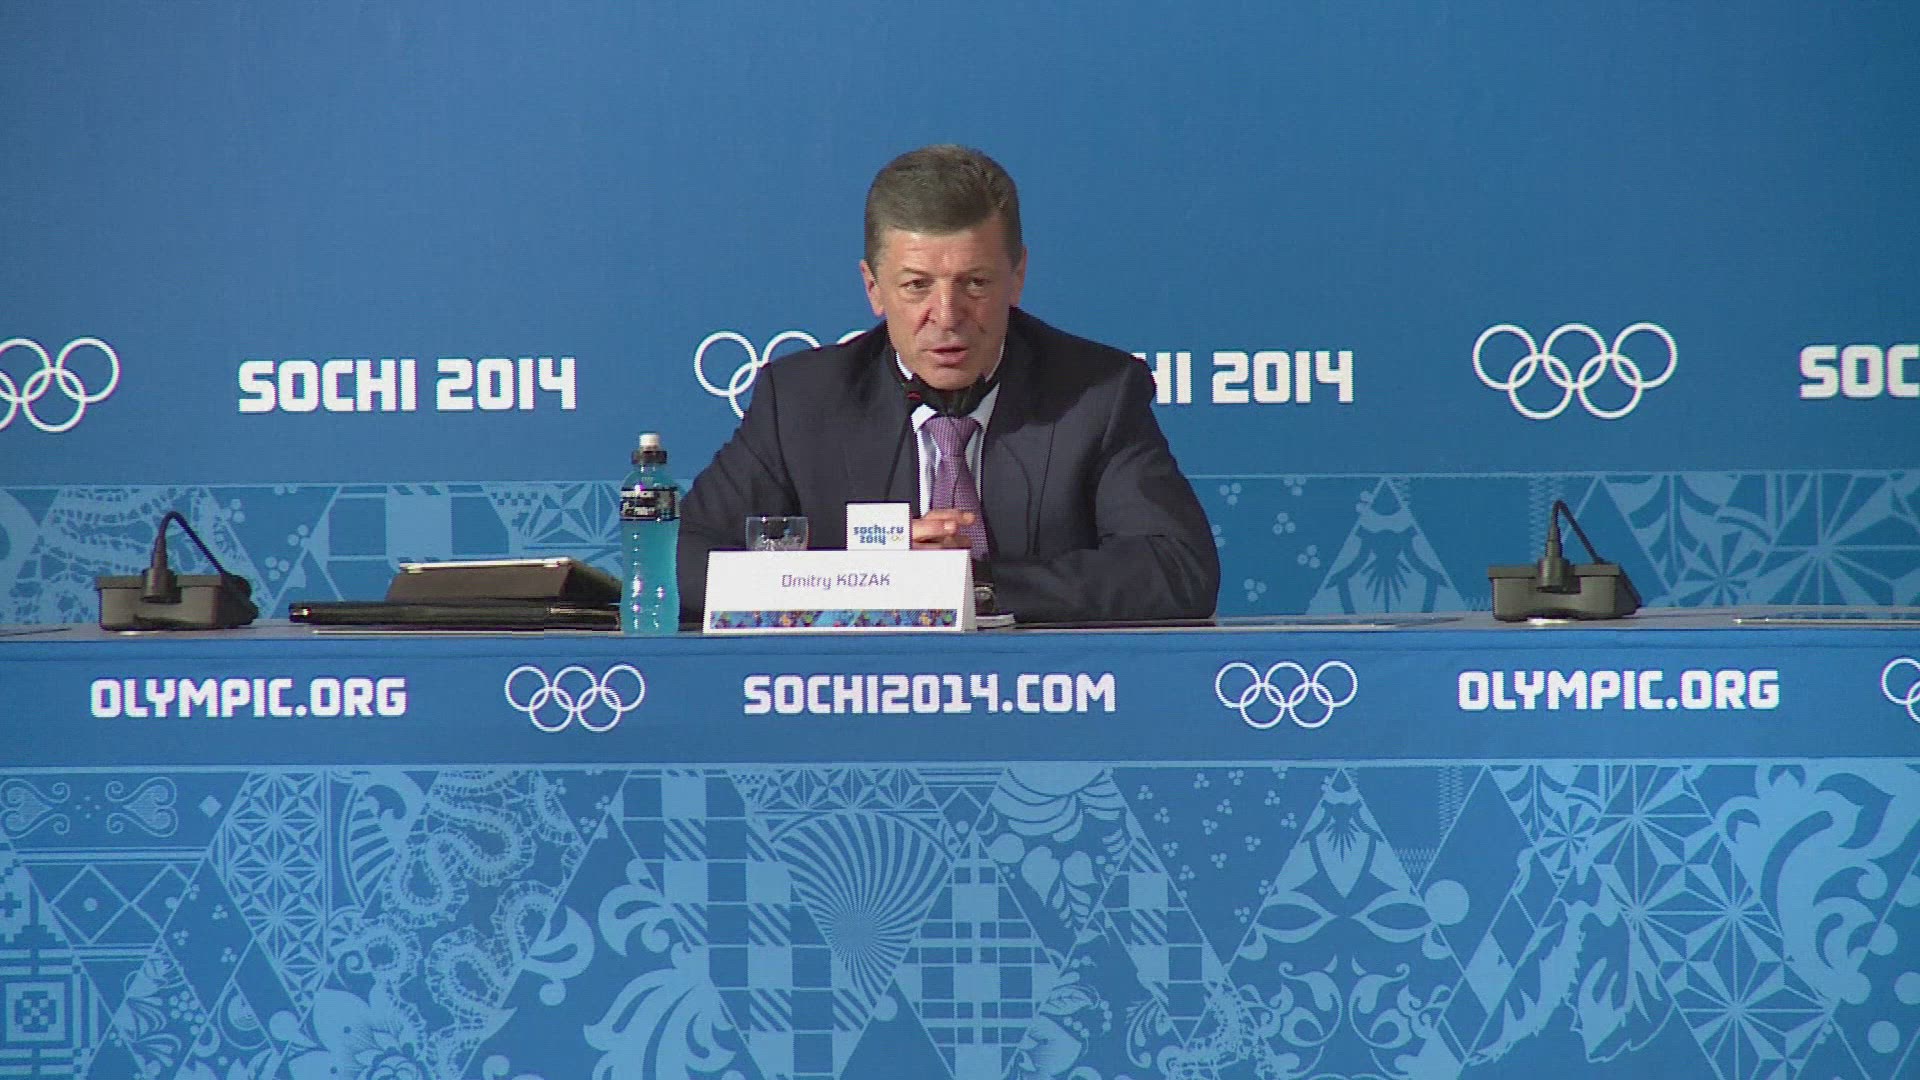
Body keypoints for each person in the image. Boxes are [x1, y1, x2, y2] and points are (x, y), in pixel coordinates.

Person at [678, 145, 1219, 625]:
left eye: (975, 283)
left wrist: (967, 586)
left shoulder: (1096, 394)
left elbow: (1177, 569)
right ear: (873, 288)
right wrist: (870, 580)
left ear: (1018, 276)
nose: (947, 315)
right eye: (917, 286)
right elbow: (680, 564)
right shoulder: (801, 401)